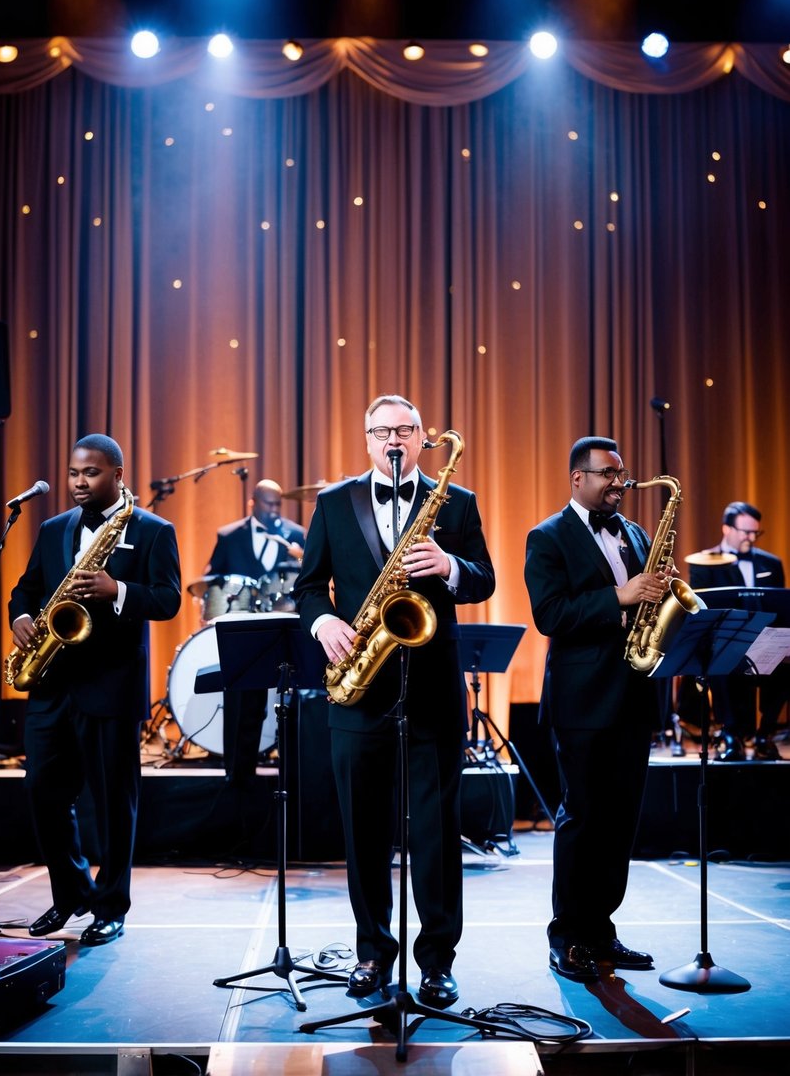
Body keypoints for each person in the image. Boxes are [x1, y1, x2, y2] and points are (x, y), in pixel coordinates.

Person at [293, 394, 495, 1007]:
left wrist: (450, 566)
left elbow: (484, 577)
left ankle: (436, 961)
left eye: (403, 428)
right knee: (364, 831)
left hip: (432, 688)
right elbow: (308, 588)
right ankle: (372, 954)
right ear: (366, 439)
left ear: (421, 434)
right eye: (380, 430)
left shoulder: (456, 502)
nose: (392, 439)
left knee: (436, 831)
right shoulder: (332, 503)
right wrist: (323, 622)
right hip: (358, 689)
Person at [9, 434, 181, 946]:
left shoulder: (153, 530)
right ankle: (70, 893)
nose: (79, 482)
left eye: (91, 473)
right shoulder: (53, 527)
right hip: (52, 684)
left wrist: (118, 591)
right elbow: (28, 587)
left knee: (111, 804)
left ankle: (111, 906)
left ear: (118, 475)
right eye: (73, 473)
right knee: (42, 791)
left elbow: (169, 599)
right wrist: (21, 614)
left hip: (110, 686)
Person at [524, 436, 669, 984]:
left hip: (633, 694)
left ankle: (602, 931)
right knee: (582, 819)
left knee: (619, 822)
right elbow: (551, 614)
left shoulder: (633, 532)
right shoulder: (548, 536)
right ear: (577, 478)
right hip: (582, 701)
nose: (619, 482)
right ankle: (568, 937)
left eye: (621, 472)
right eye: (608, 474)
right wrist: (620, 597)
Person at [204, 479, 306, 789]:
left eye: (278, 505)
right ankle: (237, 776)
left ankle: (293, 776)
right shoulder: (229, 535)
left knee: (293, 702)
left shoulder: (296, 534)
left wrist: (301, 555)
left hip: (283, 627)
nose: (274, 511)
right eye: (268, 504)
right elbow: (211, 578)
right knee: (242, 704)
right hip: (243, 628)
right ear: (253, 502)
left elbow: (310, 577)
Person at [688, 501, 786, 761]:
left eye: (756, 533)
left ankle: (764, 734)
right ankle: (730, 733)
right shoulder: (704, 563)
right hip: (725, 642)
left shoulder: (771, 563)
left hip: (763, 641)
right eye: (746, 532)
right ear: (726, 529)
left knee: (786, 661)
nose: (751, 538)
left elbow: (780, 609)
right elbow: (701, 611)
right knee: (719, 660)